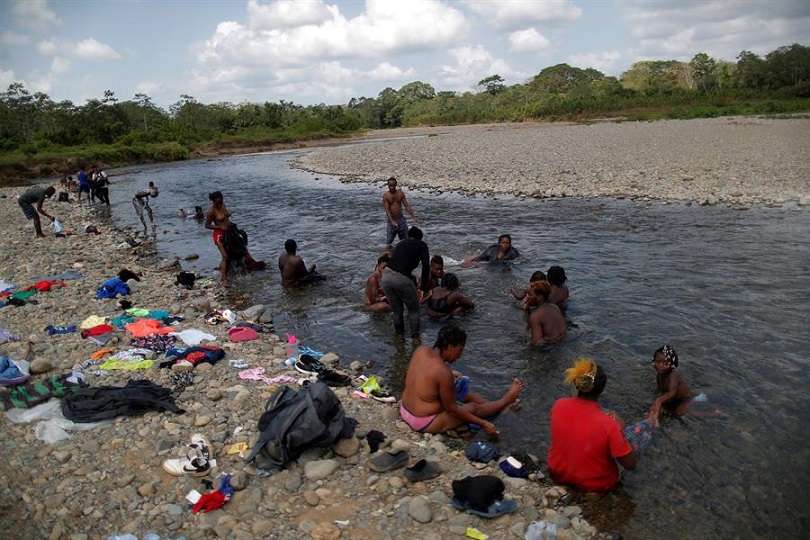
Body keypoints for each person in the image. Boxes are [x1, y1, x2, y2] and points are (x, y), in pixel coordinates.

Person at [400, 325, 524, 436]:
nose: (460, 355)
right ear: (449, 346)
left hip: (405, 409)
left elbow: (419, 374)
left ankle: (498, 407)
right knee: (473, 408)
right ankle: (507, 399)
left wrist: (450, 375)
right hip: (422, 421)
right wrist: (483, 423)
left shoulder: (421, 350)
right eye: (459, 350)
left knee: (465, 393)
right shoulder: (443, 372)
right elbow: (453, 410)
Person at [548, 358, 637, 492]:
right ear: (601, 389)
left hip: (557, 474)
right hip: (594, 485)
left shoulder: (558, 405)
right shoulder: (609, 424)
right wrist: (620, 430)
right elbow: (630, 465)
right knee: (637, 439)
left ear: (576, 382)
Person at [380, 226, 430, 338]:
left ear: (408, 236)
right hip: (401, 278)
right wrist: (423, 288)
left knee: (397, 311)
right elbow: (426, 266)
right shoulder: (421, 245)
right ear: (420, 238)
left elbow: (396, 261)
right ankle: (415, 339)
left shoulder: (400, 244)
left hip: (386, 276)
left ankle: (399, 339)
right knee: (414, 310)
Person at [647, 345, 691, 426]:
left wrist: (659, 400)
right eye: (658, 362)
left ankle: (714, 413)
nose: (661, 365)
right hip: (671, 400)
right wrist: (655, 403)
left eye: (665, 363)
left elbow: (671, 393)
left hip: (683, 400)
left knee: (678, 415)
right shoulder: (659, 374)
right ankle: (653, 424)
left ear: (672, 365)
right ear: (654, 361)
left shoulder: (673, 375)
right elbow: (660, 389)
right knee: (653, 410)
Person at [527, 281, 566, 346]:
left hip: (549, 350)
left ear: (539, 297)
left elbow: (537, 343)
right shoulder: (555, 307)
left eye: (530, 295)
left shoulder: (535, 316)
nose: (528, 297)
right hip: (563, 344)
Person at [205, 191, 231, 283]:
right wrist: (219, 226)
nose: (220, 202)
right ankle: (223, 279)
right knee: (225, 256)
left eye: (221, 200)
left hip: (228, 232)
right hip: (219, 234)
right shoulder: (211, 211)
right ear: (213, 201)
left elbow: (226, 213)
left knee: (233, 253)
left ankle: (221, 270)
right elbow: (207, 225)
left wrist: (228, 213)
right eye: (218, 201)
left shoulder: (222, 205)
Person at [382, 177, 417, 246]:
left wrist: (413, 216)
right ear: (388, 185)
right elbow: (387, 210)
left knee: (406, 241)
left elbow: (406, 206)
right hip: (391, 221)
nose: (391, 187)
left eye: (393, 185)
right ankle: (388, 254)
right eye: (390, 185)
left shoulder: (400, 193)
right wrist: (392, 221)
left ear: (396, 185)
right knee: (389, 242)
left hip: (401, 220)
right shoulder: (386, 196)